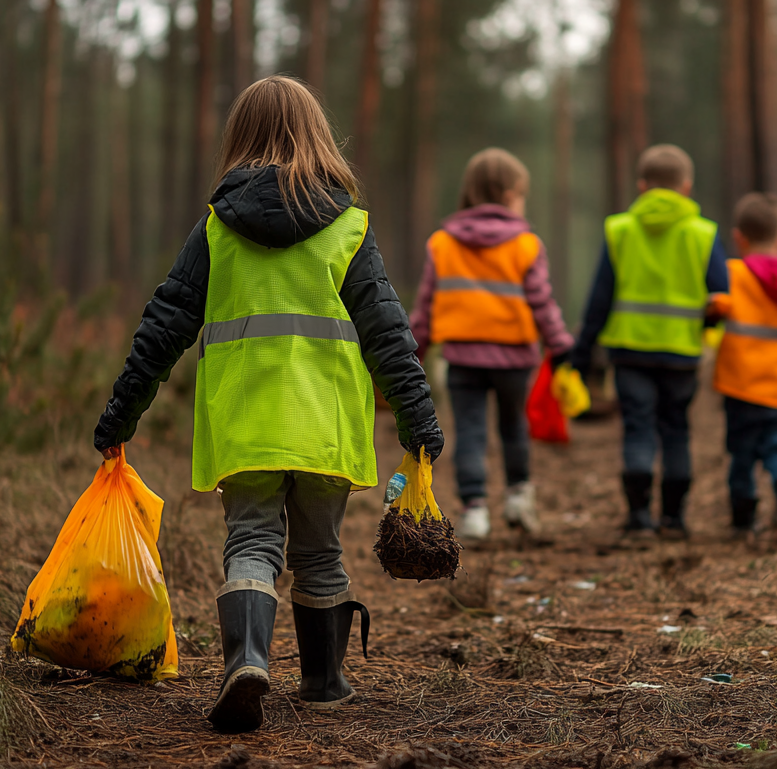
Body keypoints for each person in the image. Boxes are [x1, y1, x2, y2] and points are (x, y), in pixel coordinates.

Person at [93, 76, 443, 733]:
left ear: (240, 140)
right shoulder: (348, 229)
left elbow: (163, 326)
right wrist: (419, 418)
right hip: (326, 425)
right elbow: (388, 333)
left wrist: (121, 413)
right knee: (319, 552)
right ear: (317, 135)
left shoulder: (216, 230)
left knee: (251, 540)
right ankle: (325, 681)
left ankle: (247, 661)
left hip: (245, 423)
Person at [409, 148, 574, 541]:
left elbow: (426, 305)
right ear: (509, 194)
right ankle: (518, 499)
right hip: (514, 358)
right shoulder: (526, 244)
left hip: (462, 357)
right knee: (514, 427)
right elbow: (541, 301)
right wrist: (561, 343)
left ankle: (475, 512)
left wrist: (413, 347)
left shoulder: (442, 243)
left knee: (469, 432)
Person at [569, 145, 729, 539]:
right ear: (686, 188)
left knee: (638, 428)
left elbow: (598, 300)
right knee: (676, 429)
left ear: (642, 186)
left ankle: (639, 518)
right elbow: (721, 297)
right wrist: (709, 338)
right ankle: (674, 519)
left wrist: (582, 354)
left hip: (629, 352)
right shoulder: (703, 233)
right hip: (682, 355)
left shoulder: (620, 230)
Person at [710, 192, 777, 546]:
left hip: (742, 386)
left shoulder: (733, 273)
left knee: (742, 454)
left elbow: (716, 308)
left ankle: (743, 521)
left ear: (739, 237)